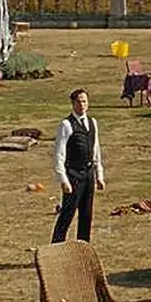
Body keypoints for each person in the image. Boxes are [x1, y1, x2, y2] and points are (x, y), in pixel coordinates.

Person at [51, 88, 105, 242]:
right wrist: (63, 180)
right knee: (67, 214)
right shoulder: (66, 125)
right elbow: (59, 155)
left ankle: (83, 248)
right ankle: (56, 247)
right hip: (73, 175)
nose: (82, 105)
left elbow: (96, 151)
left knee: (86, 214)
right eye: (79, 102)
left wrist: (99, 175)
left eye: (84, 101)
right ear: (73, 104)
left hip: (88, 175)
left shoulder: (92, 123)